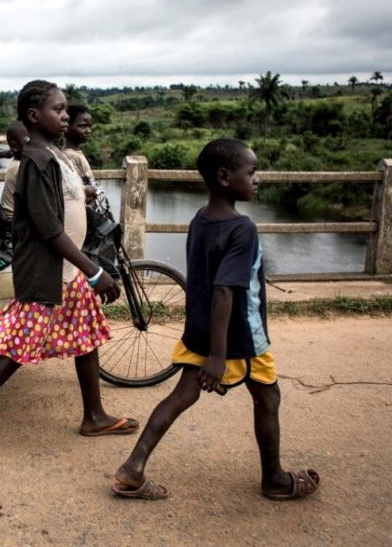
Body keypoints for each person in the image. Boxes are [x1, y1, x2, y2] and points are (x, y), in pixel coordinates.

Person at [0, 80, 139, 456]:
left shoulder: (55, 156)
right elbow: (48, 228)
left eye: (66, 108)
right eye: (58, 109)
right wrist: (94, 270)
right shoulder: (36, 161)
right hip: (46, 272)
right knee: (14, 350)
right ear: (35, 116)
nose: (66, 115)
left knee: (85, 338)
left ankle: (95, 415)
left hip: (65, 274)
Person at [111, 138, 320, 500]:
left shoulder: (200, 220)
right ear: (225, 177)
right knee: (268, 398)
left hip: (200, 331)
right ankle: (275, 479)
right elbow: (226, 291)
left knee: (179, 397)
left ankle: (133, 467)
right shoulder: (243, 229)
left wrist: (209, 348)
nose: (257, 179)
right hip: (240, 339)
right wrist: (219, 357)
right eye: (251, 172)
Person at [0, 120, 29, 222]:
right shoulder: (19, 167)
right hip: (13, 222)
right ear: (15, 146)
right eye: (28, 141)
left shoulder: (18, 164)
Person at [63, 104, 95, 182]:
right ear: (67, 127)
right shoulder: (70, 156)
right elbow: (79, 187)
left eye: (89, 126)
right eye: (83, 126)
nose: (88, 131)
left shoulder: (76, 153)